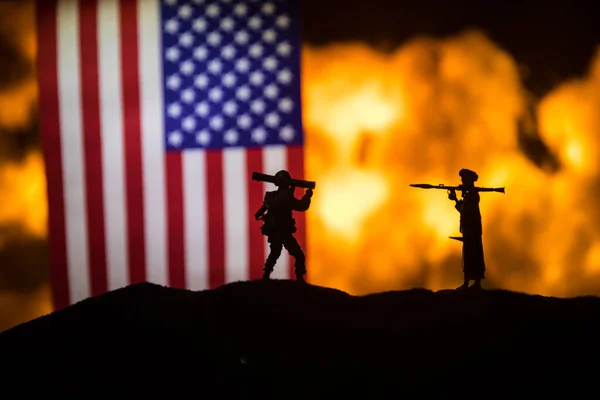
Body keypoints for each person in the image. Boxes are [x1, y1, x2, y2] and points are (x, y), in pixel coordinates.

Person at [254, 170, 313, 282]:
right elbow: (298, 206)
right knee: (280, 253)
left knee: (289, 254)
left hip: (282, 231)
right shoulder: (278, 196)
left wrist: (307, 196)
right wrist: (306, 195)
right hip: (278, 231)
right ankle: (267, 276)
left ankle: (298, 278)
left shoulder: (278, 196)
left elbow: (301, 206)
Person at [448, 168, 486, 290]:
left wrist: (457, 199)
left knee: (473, 254)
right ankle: (467, 282)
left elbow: (464, 211)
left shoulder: (473, 195)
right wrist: (455, 199)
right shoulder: (470, 194)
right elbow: (463, 210)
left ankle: (475, 283)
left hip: (472, 230)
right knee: (468, 255)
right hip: (468, 229)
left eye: (464, 180)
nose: (462, 182)